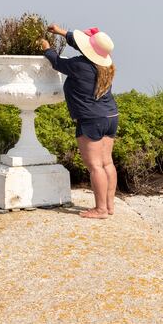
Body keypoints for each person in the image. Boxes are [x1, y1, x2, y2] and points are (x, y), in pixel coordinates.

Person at [39, 25, 118, 219]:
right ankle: (108, 205)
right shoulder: (106, 66)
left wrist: (46, 47)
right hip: (110, 116)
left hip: (91, 119)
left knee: (95, 166)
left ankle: (100, 210)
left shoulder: (79, 65)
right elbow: (80, 44)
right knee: (107, 162)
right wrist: (60, 31)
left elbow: (56, 61)